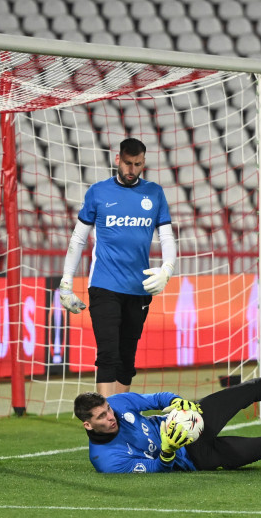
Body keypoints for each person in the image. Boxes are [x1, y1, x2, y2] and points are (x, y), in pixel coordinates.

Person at [73, 351, 261, 473]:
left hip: (190, 421)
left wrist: (178, 403)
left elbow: (159, 397)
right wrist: (169, 449)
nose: (110, 417)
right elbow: (157, 469)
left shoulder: (120, 404)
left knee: (246, 390)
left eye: (107, 410)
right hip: (197, 459)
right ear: (88, 425)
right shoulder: (106, 461)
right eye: (101, 417)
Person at [59, 137, 176, 396]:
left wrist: (167, 270)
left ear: (143, 163)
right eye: (127, 163)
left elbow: (167, 237)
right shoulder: (98, 192)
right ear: (117, 160)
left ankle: (121, 417)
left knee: (127, 359)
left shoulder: (154, 193)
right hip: (104, 285)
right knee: (108, 354)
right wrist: (66, 282)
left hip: (139, 288)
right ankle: (105, 420)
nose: (131, 169)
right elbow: (78, 239)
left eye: (137, 164)